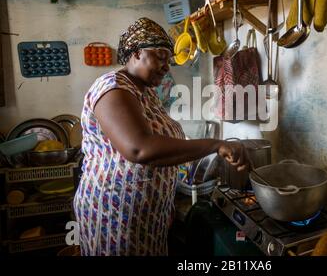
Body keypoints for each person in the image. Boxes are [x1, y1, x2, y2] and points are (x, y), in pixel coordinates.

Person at [73, 17, 251, 256]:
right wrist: (215, 145)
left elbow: (161, 141)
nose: (167, 66)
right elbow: (140, 149)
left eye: (169, 59)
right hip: (114, 215)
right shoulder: (112, 87)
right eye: (160, 56)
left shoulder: (146, 93)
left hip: (146, 215)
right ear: (136, 53)